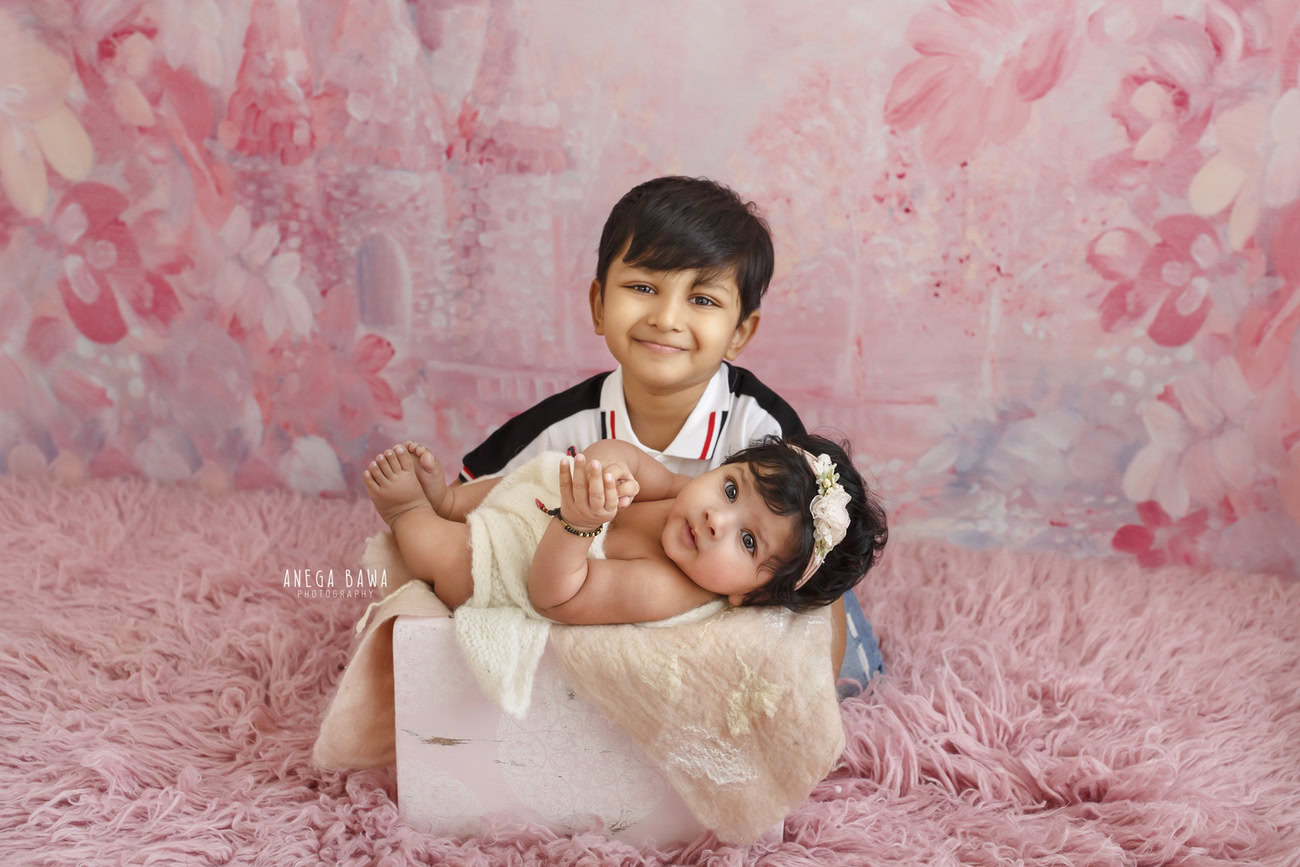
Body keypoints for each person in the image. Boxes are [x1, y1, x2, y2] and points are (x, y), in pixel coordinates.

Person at [447, 177, 882, 687]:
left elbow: (812, 557)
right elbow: (467, 494)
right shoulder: (567, 424)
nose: (666, 318)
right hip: (600, 598)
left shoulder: (761, 426)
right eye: (643, 288)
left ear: (739, 331)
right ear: (598, 305)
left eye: (702, 300)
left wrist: (818, 683)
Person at [362, 434, 888, 626]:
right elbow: (626, 455)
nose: (716, 518)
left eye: (748, 541)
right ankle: (451, 500)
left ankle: (410, 513)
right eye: (731, 489)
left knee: (451, 556)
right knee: (537, 475)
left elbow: (556, 596)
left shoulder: (667, 587)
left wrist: (580, 523)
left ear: (749, 596)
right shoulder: (685, 492)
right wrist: (607, 470)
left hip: (518, 567)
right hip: (543, 510)